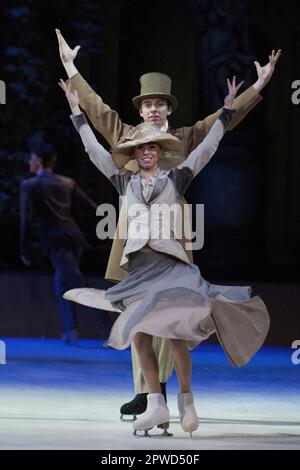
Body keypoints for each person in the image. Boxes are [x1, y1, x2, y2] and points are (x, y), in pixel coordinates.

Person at [56, 28, 280, 417]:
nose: (154, 110)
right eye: (148, 105)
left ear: (168, 109)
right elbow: (95, 109)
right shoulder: (126, 135)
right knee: (137, 315)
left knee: (168, 320)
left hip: (172, 242)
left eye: (160, 103)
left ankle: (163, 390)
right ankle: (146, 393)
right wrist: (71, 68)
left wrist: (258, 85)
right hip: (134, 243)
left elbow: (221, 124)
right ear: (141, 110)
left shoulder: (184, 138)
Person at [20, 143, 98, 344]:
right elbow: (93, 209)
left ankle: (113, 330)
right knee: (63, 284)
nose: (29, 162)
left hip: (57, 240)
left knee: (76, 284)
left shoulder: (30, 185)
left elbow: (25, 219)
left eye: (31, 158)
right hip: (73, 238)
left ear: (38, 160)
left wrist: (24, 248)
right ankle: (70, 331)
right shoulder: (67, 182)